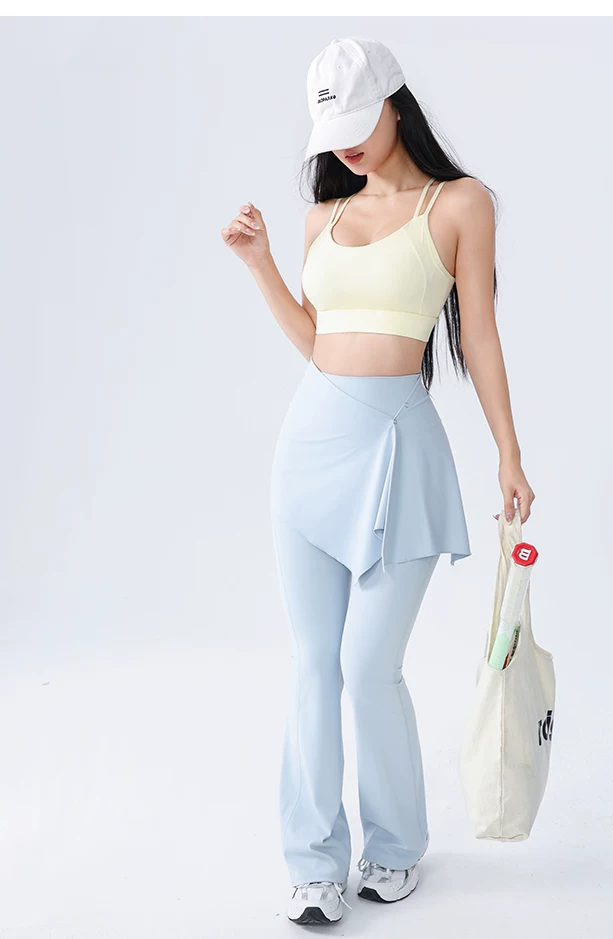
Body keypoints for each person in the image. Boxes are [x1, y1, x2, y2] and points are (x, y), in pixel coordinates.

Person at [221, 36, 535, 926]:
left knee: (368, 665)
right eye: (334, 132)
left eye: (360, 123)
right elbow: (320, 340)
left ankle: (394, 848)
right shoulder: (322, 215)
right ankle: (312, 863)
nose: (348, 146)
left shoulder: (460, 204)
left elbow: (479, 336)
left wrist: (509, 451)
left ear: (396, 103)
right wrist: (261, 264)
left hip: (399, 454)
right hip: (307, 453)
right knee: (314, 665)